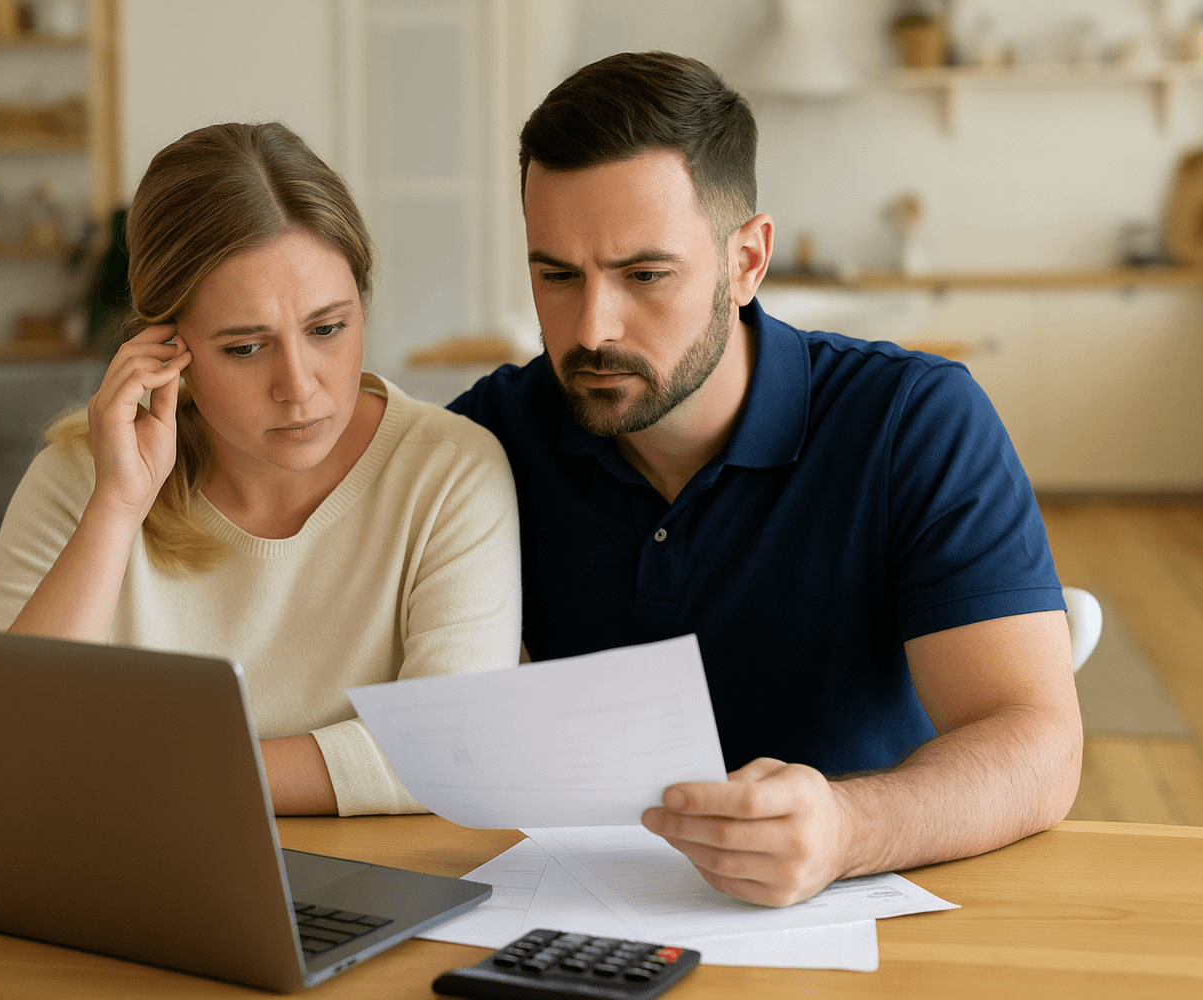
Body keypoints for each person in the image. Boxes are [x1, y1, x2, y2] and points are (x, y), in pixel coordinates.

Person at [450, 51, 1082, 906]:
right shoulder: (489, 434)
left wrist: (846, 831)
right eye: (557, 275)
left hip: (865, 908)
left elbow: (1038, 745)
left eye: (644, 275)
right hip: (585, 905)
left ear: (747, 260)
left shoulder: (914, 420)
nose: (591, 326)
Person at [0, 122, 521, 818]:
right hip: (135, 876)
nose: (298, 386)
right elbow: (1, 744)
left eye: (328, 329)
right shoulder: (80, 482)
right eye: (244, 347)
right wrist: (116, 506)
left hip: (381, 883)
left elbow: (455, 750)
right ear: (165, 347)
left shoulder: (449, 474)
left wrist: (156, 767)